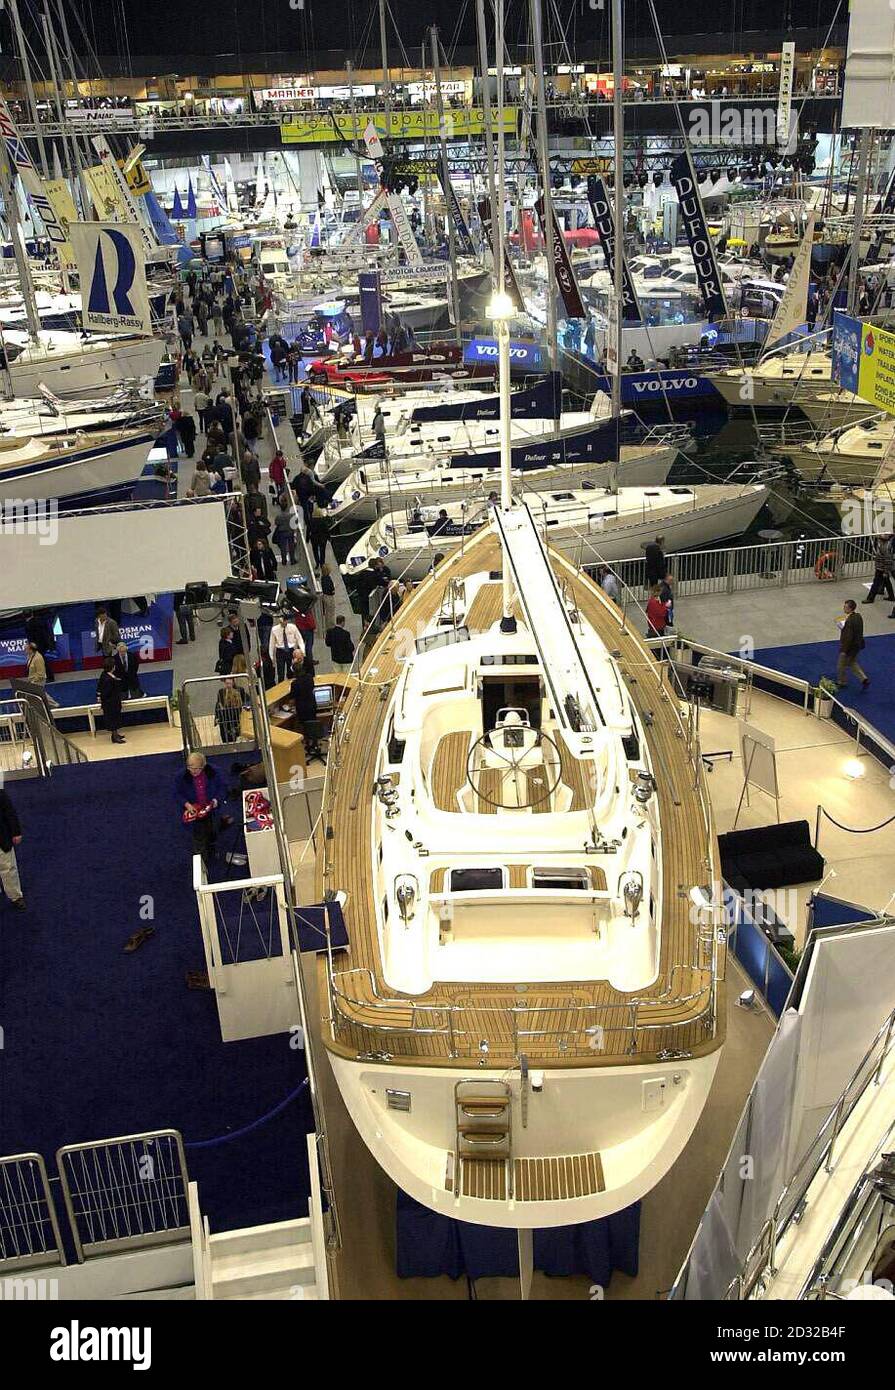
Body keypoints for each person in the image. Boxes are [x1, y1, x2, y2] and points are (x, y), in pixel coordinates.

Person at [175, 752, 230, 870]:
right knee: (198, 837)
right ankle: (201, 865)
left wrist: (215, 801)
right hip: (195, 812)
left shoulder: (215, 772)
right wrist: (188, 805)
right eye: (190, 768)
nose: (193, 771)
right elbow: (177, 794)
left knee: (212, 831)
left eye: (197, 769)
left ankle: (211, 849)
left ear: (203, 766)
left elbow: (223, 787)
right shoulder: (181, 776)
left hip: (212, 809)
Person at [289, 659, 324, 762]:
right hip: (312, 706)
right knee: (313, 722)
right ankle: (314, 741)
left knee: (304, 725)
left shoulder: (294, 684)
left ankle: (307, 742)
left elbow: (292, 699)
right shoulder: (309, 678)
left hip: (302, 708)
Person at [0, 786, 25, 911]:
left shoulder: (0, 794)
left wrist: (16, 832)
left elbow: (9, 812)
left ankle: (15, 896)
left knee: (8, 867)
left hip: (1, 838)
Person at [836, 599, 870, 690]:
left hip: (849, 648)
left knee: (841, 665)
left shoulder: (849, 621)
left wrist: (844, 650)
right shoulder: (858, 617)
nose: (844, 608)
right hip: (856, 646)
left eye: (845, 607)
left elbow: (848, 637)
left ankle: (841, 681)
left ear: (850, 609)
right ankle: (864, 679)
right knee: (852, 663)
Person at [97, 656, 125, 743]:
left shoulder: (106, 675)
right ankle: (114, 737)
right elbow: (106, 692)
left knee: (116, 719)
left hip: (113, 702)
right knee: (113, 720)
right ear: (112, 667)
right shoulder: (108, 680)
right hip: (110, 703)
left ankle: (116, 734)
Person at [269, 613, 304, 682]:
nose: (284, 623)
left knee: (291, 671)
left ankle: (291, 687)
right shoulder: (274, 629)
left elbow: (299, 639)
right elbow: (271, 644)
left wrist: (302, 651)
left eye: (285, 621)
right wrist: (271, 657)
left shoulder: (293, 627)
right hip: (280, 651)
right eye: (282, 621)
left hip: (291, 651)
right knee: (280, 673)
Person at [864, 534, 895, 604]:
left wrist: (886, 572)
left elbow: (888, 560)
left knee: (876, 583)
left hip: (882, 568)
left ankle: (870, 598)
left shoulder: (886, 547)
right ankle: (891, 596)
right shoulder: (882, 544)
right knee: (887, 582)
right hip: (881, 567)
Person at [214, 678, 244, 744]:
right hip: (224, 718)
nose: (228, 685)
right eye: (226, 683)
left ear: (233, 683)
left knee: (236, 736)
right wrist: (217, 717)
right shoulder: (221, 692)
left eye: (229, 683)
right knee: (225, 737)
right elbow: (218, 704)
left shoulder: (239, 691)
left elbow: (243, 702)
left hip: (235, 718)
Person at [272, 500, 297, 566]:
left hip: (282, 533)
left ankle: (284, 560)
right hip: (290, 531)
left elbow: (276, 523)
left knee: (283, 547)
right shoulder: (291, 515)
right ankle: (292, 560)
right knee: (291, 546)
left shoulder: (279, 516)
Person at [319, 563, 336, 628]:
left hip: (325, 596)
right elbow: (331, 590)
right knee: (331, 612)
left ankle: (328, 626)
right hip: (329, 597)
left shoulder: (323, 578)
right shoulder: (328, 579)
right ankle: (331, 626)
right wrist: (333, 590)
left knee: (327, 613)